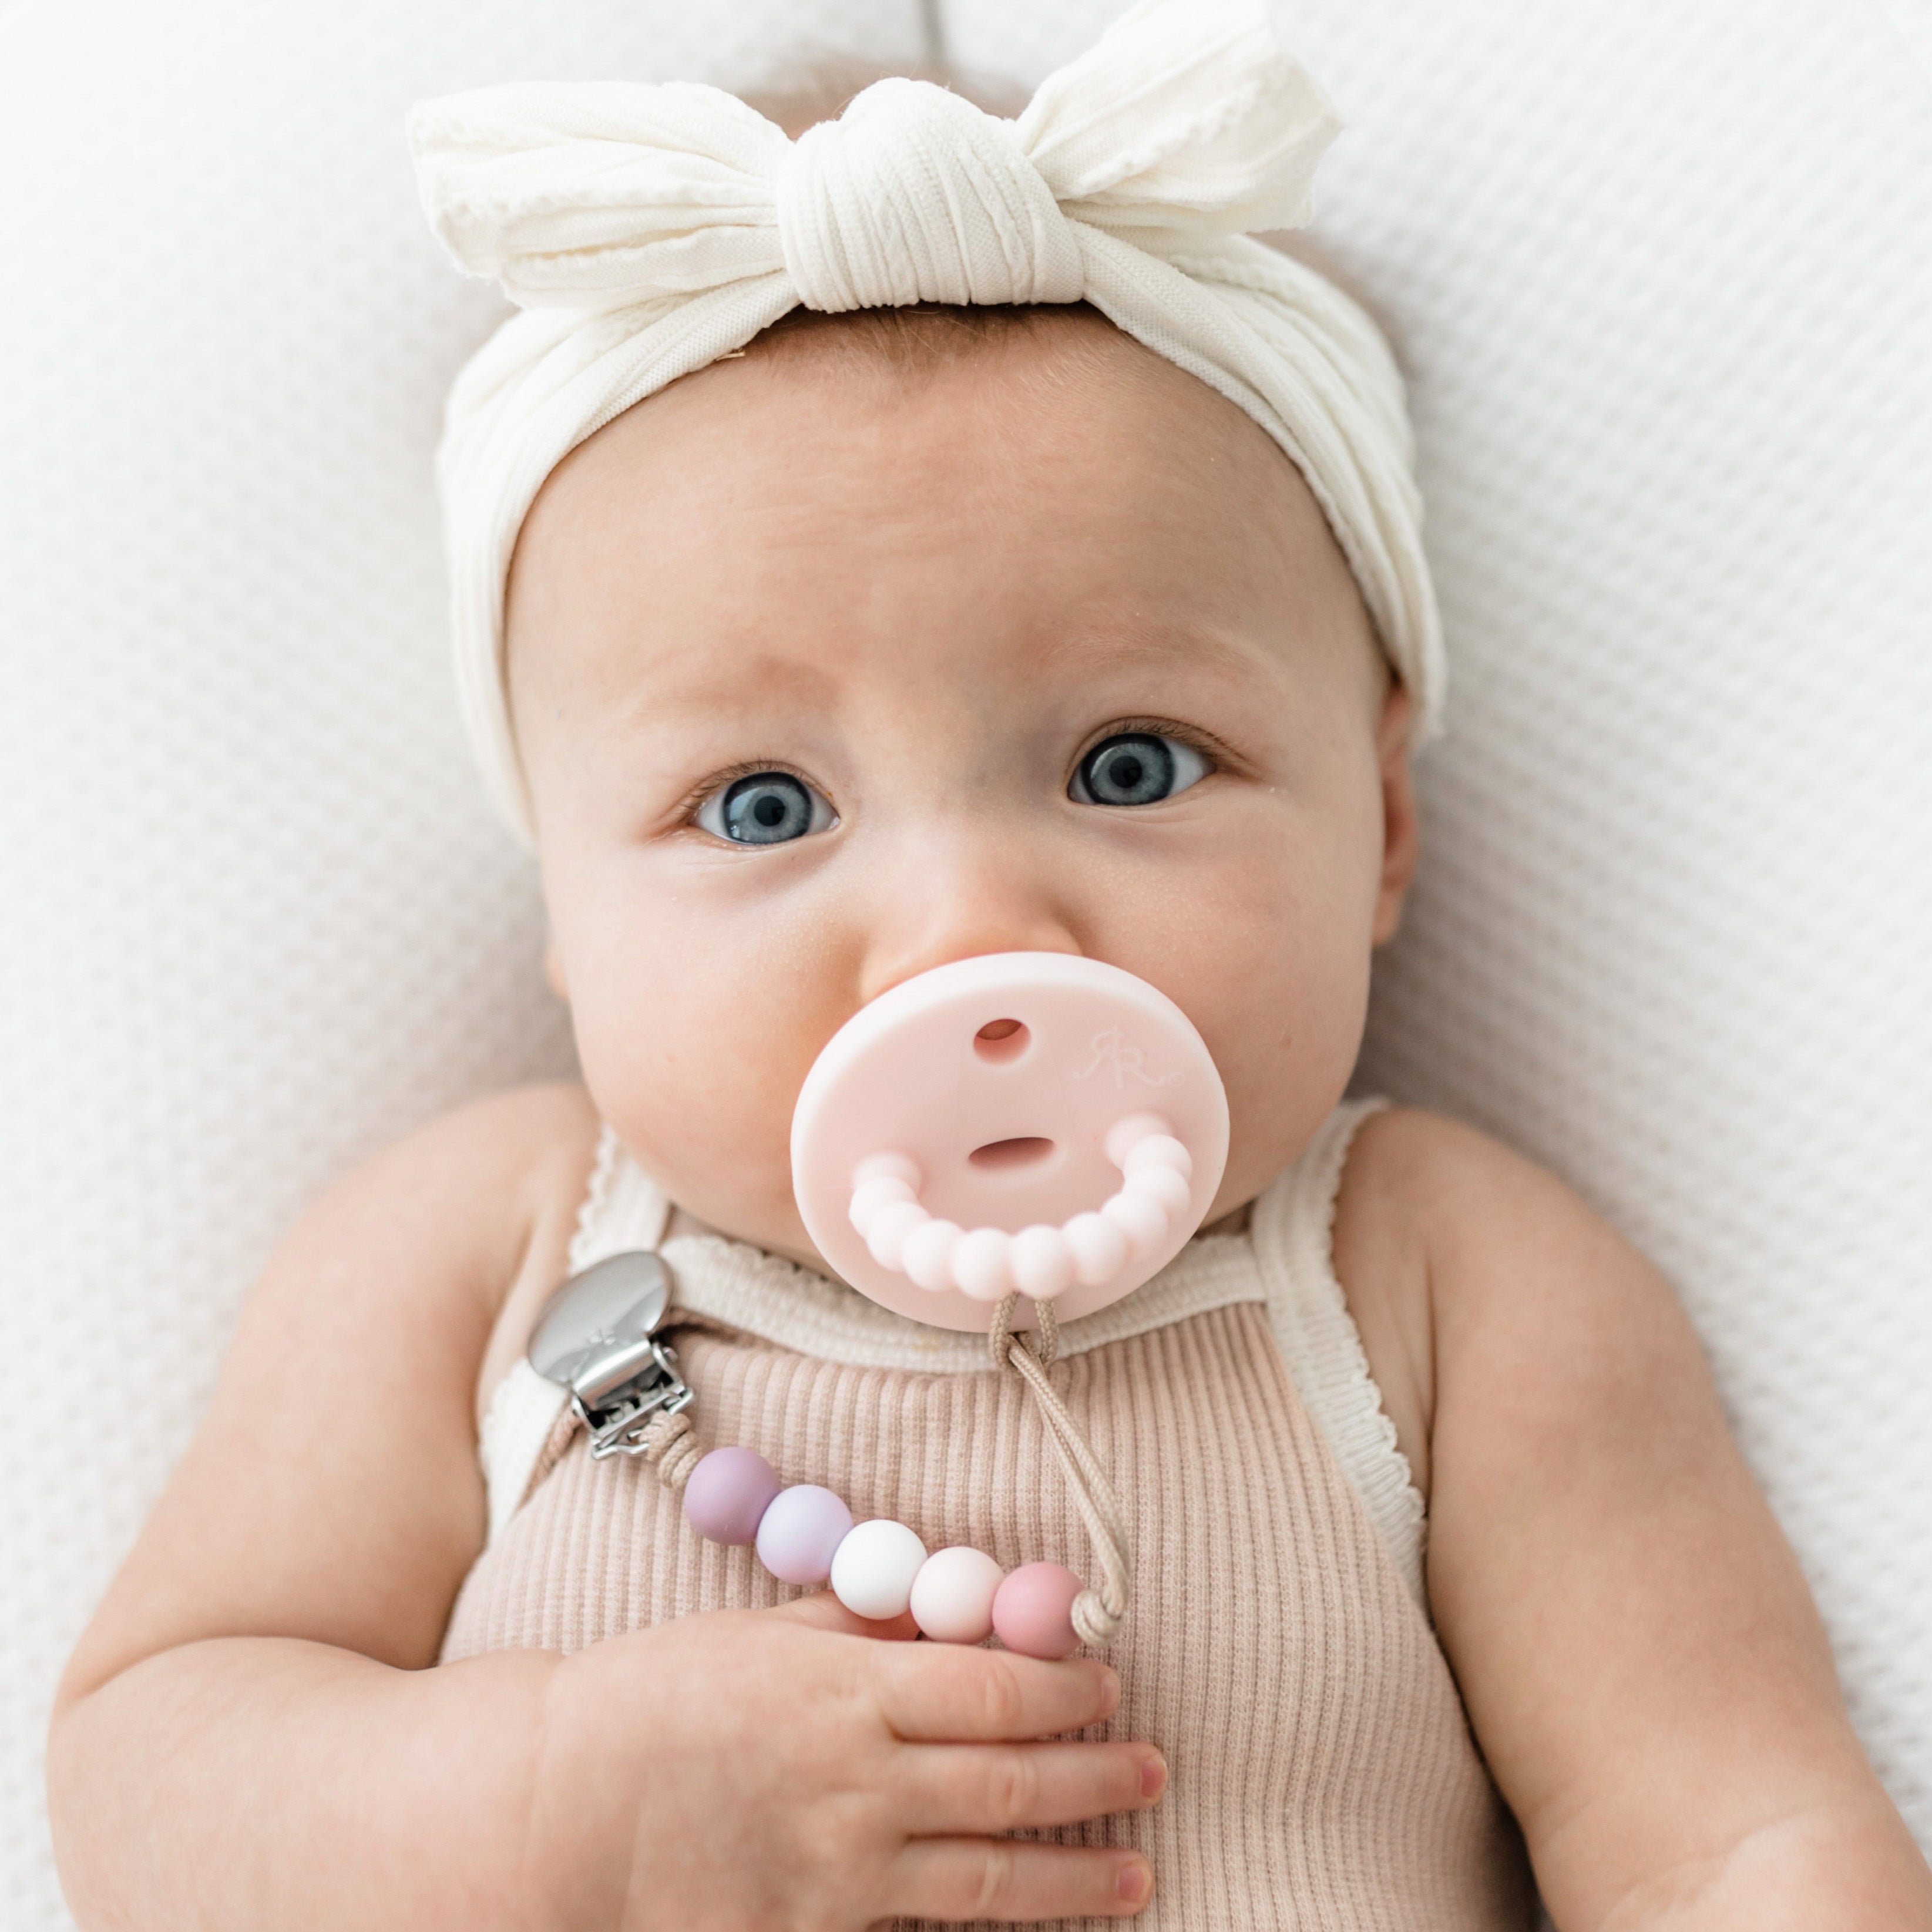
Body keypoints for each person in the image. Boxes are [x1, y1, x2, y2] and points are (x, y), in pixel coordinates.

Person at [46, 3, 1932, 1926]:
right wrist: (555, 1805)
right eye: (763, 806)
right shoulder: (483, 1253)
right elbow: (147, 1786)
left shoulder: (1444, 1286)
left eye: (1130, 767)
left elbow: (1728, 1838)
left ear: (1380, 823)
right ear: (558, 896)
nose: (967, 936)